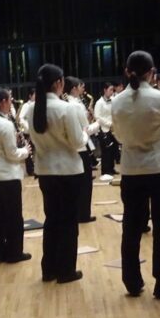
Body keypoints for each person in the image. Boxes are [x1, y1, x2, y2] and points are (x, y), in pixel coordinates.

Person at [111, 51, 160, 298]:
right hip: (159, 168)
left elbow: (119, 136)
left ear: (127, 71)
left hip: (131, 169)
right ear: (152, 73)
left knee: (131, 226)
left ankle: (132, 281)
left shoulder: (117, 101)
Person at [31, 64, 86, 283]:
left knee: (52, 219)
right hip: (68, 171)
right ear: (58, 83)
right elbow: (77, 142)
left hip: (45, 171)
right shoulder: (66, 108)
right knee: (69, 222)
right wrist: (84, 133)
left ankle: (49, 269)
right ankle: (66, 271)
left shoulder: (32, 109)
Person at [0, 87, 32, 264]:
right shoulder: (5, 124)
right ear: (3, 102)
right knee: (13, 217)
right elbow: (12, 154)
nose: (11, 103)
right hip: (7, 175)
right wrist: (25, 151)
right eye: (10, 100)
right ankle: (14, 253)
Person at [65, 77, 97, 223]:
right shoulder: (76, 105)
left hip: (70, 148)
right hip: (81, 147)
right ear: (73, 88)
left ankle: (76, 212)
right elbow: (86, 129)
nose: (82, 89)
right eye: (79, 86)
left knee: (75, 184)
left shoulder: (66, 102)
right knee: (85, 184)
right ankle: (83, 214)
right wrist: (98, 123)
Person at [93, 82, 117, 181]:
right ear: (105, 90)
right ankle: (105, 171)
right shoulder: (99, 102)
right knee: (106, 151)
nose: (112, 92)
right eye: (110, 90)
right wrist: (109, 124)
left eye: (112, 90)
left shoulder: (113, 100)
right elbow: (97, 117)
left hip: (113, 128)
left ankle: (111, 168)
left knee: (113, 149)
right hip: (103, 129)